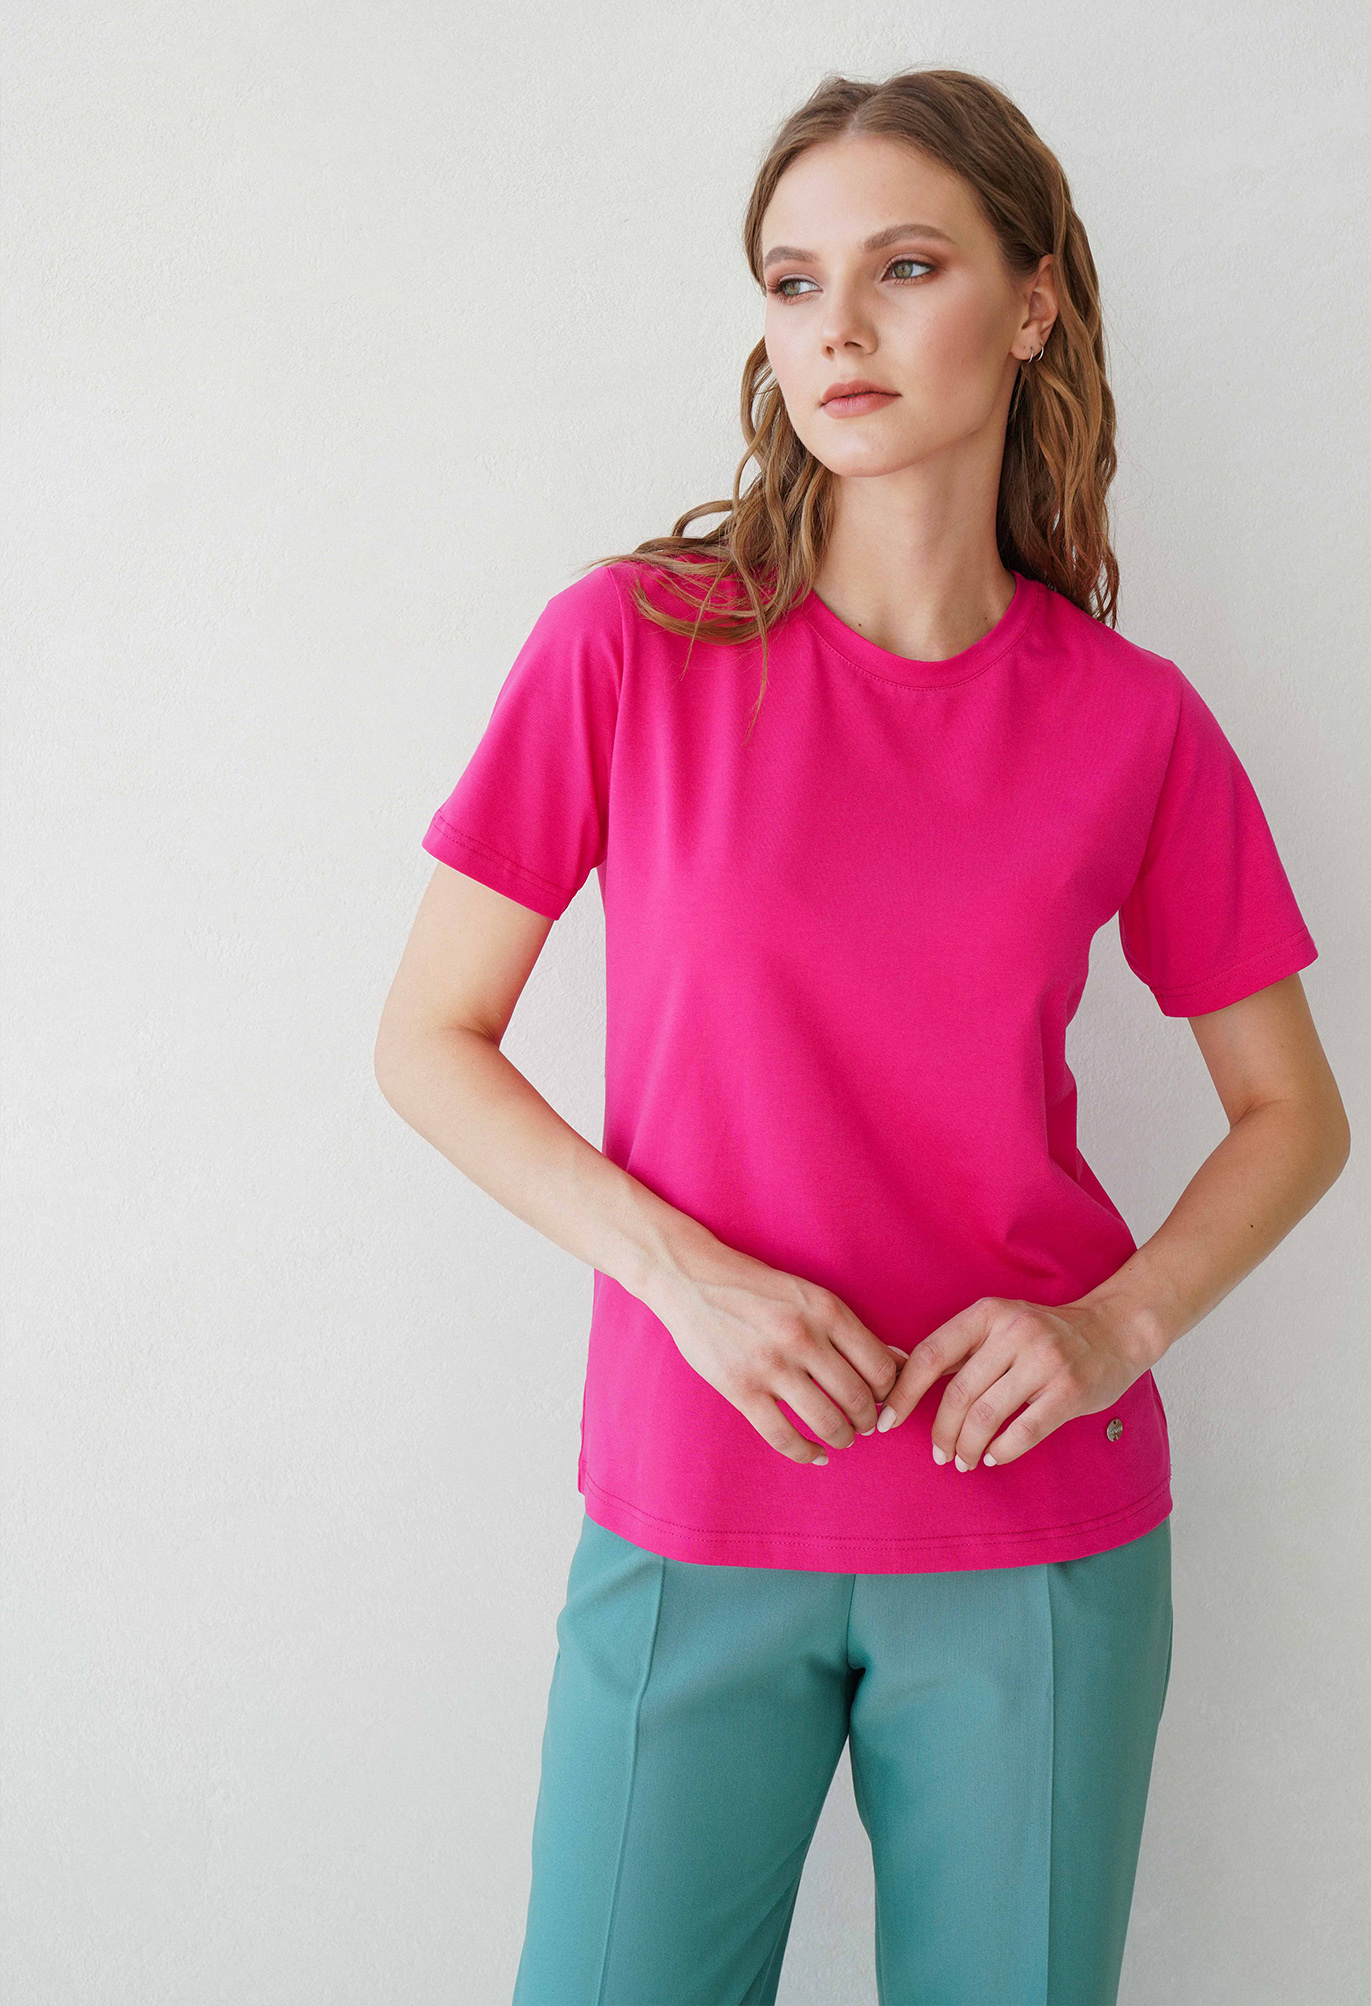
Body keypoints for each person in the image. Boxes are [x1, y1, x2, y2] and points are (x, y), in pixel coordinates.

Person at [373, 65, 1350, 2006]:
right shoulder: (626, 648)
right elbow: (430, 1037)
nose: (837, 327)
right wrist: (684, 1277)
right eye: (792, 280)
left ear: (1033, 300)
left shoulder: (1131, 721)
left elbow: (1290, 1112)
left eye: (903, 268)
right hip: (695, 1493)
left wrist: (1110, 1327)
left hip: (1031, 1524)